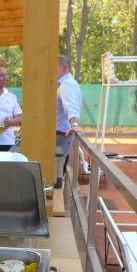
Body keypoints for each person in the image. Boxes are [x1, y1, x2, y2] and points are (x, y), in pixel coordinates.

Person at [55, 55, 83, 188]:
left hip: (60, 136)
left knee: (56, 177)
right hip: (60, 136)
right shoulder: (67, 84)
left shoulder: (67, 85)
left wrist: (74, 124)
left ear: (64, 67)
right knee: (57, 174)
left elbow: (71, 106)